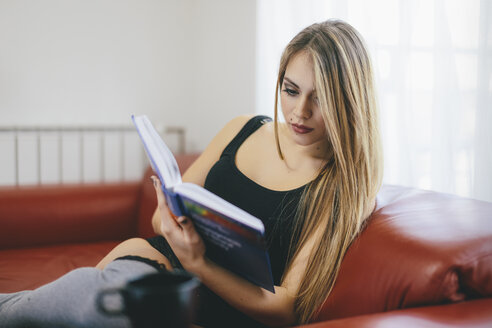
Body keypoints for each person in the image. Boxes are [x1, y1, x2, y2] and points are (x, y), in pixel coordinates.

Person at [0, 19, 382, 327]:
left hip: (214, 306)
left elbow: (286, 309)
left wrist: (199, 263)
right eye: (291, 90)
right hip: (156, 266)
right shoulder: (243, 128)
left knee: (89, 308)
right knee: (80, 298)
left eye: (321, 99)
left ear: (351, 100)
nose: (300, 112)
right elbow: (158, 217)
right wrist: (169, 212)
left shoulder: (344, 187)